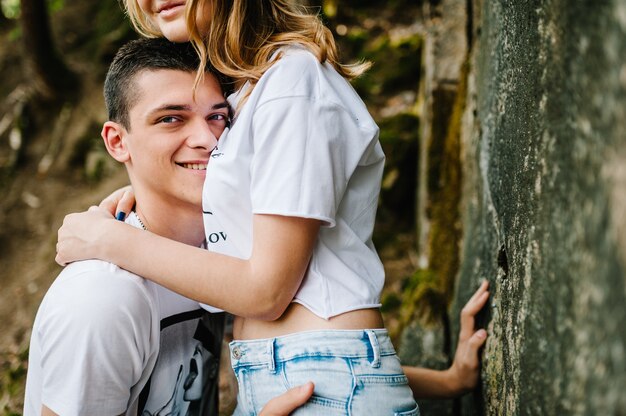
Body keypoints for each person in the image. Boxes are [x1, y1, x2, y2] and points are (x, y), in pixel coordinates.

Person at [55, 1, 490, 414]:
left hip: (316, 380)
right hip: (276, 377)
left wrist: (112, 240)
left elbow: (269, 293)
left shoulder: (292, 82)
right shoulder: (244, 90)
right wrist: (449, 382)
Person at [24, 37, 313, 416]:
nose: (207, 139)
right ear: (117, 142)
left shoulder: (229, 255)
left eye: (217, 117)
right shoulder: (103, 299)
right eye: (170, 119)